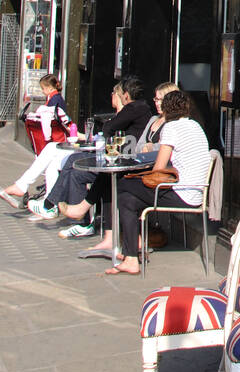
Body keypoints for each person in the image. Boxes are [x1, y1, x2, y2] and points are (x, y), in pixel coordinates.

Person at [79, 88, 209, 277]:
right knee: (127, 200)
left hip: (180, 193)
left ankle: (128, 248)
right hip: (196, 192)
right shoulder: (195, 126)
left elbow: (158, 169)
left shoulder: (171, 128)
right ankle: (131, 257)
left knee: (121, 184)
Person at [58, 82, 179, 252]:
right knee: (109, 176)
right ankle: (108, 236)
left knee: (112, 180)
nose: (157, 103)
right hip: (140, 164)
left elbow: (165, 151)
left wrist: (151, 148)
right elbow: (139, 146)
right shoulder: (153, 120)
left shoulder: (174, 125)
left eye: (160, 100)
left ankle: (87, 213)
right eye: (156, 99)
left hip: (156, 172)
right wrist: (148, 148)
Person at [29, 77, 153, 227]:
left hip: (121, 159)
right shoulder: (139, 108)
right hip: (116, 156)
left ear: (125, 95)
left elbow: (108, 129)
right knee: (75, 169)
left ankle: (52, 206)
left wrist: (112, 121)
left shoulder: (134, 108)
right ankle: (78, 221)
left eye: (117, 94)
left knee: (75, 161)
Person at [0, 75, 71, 209]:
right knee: (51, 165)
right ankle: (48, 203)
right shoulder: (55, 99)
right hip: (62, 139)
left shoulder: (54, 101)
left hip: (60, 140)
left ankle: (25, 188)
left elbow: (52, 120)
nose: (43, 92)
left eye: (43, 89)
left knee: (50, 154)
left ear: (49, 88)